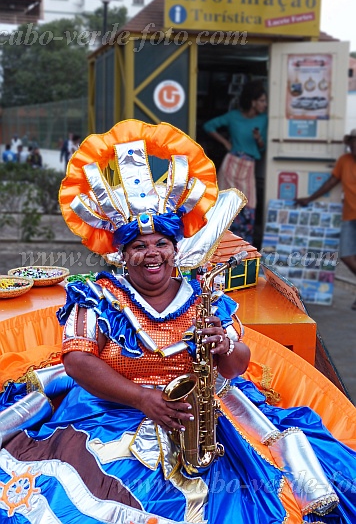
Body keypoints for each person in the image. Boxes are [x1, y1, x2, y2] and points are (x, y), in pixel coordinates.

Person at [0, 120, 355, 524]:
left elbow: (237, 365)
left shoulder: (204, 296)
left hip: (201, 412)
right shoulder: (98, 295)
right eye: (138, 246)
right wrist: (141, 399)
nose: (151, 254)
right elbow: (78, 362)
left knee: (253, 486)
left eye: (161, 244)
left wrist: (224, 346)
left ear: (174, 248)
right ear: (122, 255)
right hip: (109, 409)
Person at [296, 128, 356, 310]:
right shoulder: (344, 161)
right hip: (349, 214)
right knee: (346, 254)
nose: (354, 145)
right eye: (352, 142)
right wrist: (309, 198)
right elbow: (332, 181)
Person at [203, 80, 268, 244]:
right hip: (231, 164)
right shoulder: (233, 117)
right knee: (226, 206)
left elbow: (262, 148)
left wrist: (259, 140)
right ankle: (221, 247)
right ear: (253, 102)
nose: (265, 104)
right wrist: (225, 143)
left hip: (249, 166)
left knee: (249, 206)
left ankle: (243, 250)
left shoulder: (263, 120)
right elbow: (209, 126)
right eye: (262, 101)